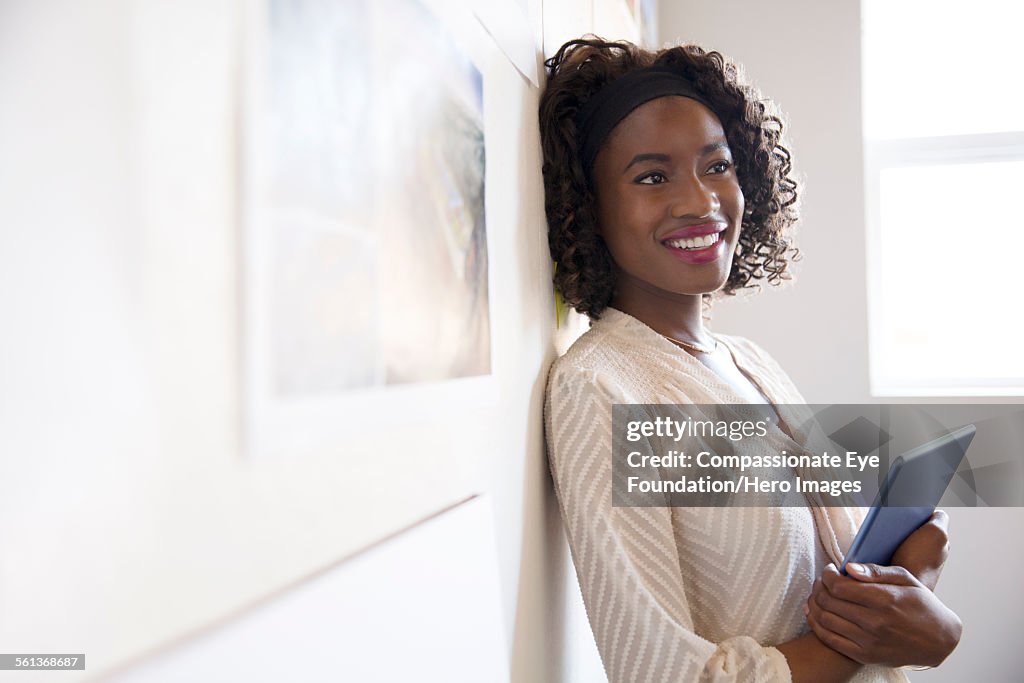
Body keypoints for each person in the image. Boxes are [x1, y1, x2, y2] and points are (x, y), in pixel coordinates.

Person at [539, 36, 962, 683]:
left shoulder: (752, 365)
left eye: (717, 165)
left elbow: (834, 565)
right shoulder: (598, 386)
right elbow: (662, 671)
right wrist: (885, 640)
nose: (700, 200)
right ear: (590, 208)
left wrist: (918, 567)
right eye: (652, 176)